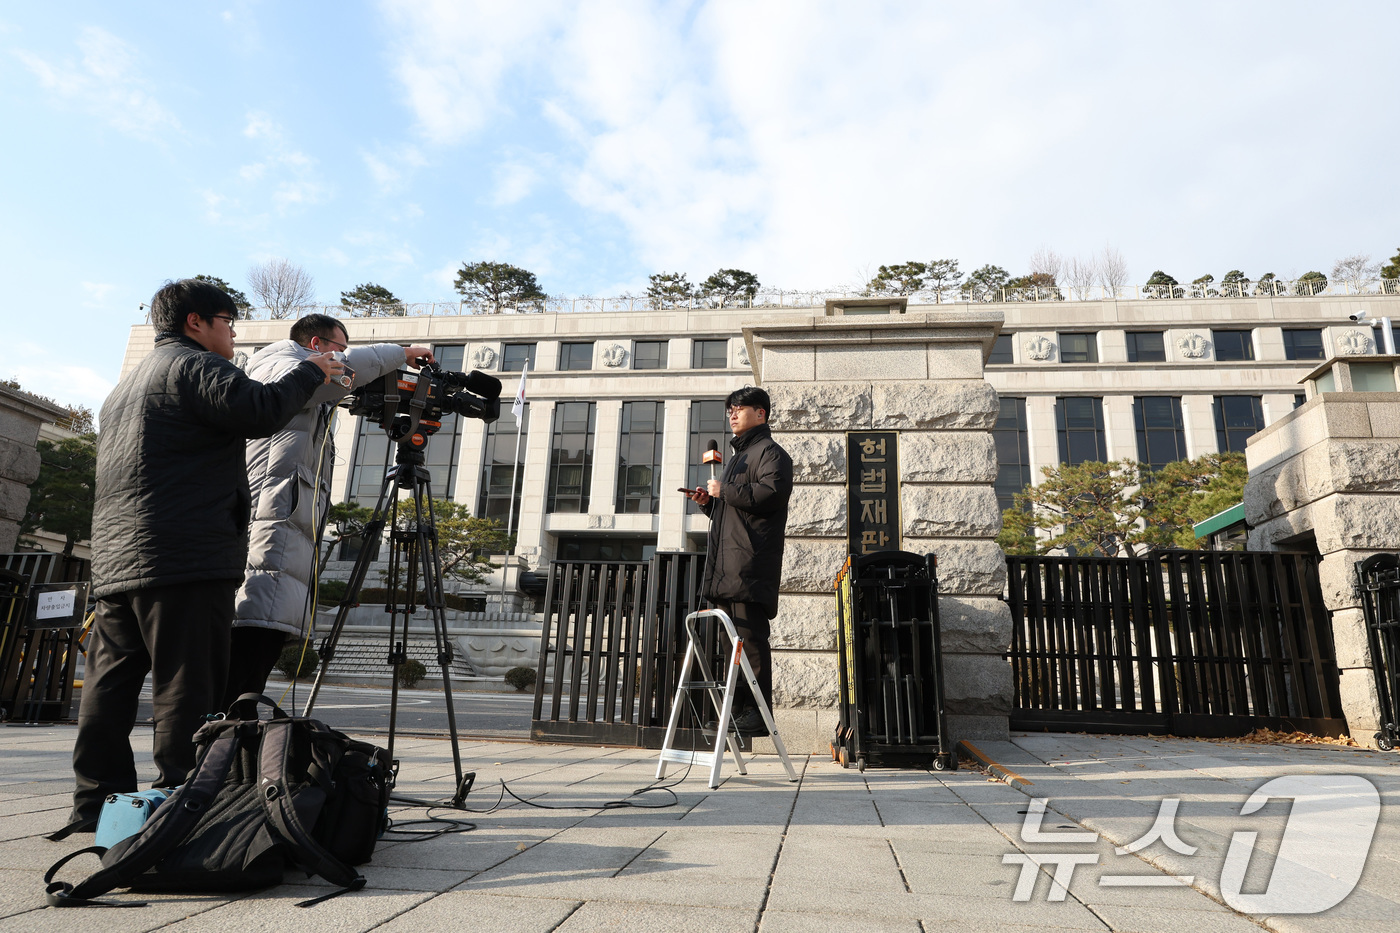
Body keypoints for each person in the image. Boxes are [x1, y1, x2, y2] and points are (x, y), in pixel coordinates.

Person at [58, 279, 345, 836]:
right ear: (196, 322)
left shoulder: (124, 388)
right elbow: (260, 410)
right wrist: (314, 371)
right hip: (184, 554)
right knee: (187, 688)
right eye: (228, 322)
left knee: (108, 691)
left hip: (118, 560)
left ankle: (96, 807)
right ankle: (184, 806)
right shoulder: (194, 367)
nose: (234, 334)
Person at [223, 314, 434, 707]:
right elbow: (342, 372)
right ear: (316, 345)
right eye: (340, 348)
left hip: (282, 529)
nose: (344, 357)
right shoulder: (280, 361)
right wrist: (402, 354)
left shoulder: (301, 381)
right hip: (271, 528)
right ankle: (218, 747)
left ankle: (228, 745)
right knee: (248, 650)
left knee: (254, 654)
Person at [683, 386, 793, 736]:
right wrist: (708, 502)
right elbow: (731, 512)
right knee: (731, 643)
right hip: (726, 565)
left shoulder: (772, 453)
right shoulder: (735, 460)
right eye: (730, 409)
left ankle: (758, 714)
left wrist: (725, 491)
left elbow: (771, 494)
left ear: (761, 414)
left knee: (750, 638)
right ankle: (741, 710)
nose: (732, 413)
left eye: (740, 408)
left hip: (749, 564)